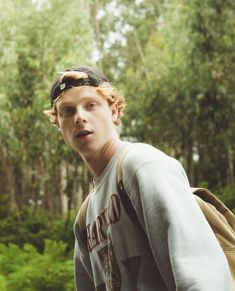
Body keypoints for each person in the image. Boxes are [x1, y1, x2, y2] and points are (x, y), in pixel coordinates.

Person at [45, 66, 233, 291]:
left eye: (91, 105)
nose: (80, 118)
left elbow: (200, 270)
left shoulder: (142, 165)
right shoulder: (84, 217)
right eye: (67, 111)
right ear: (58, 123)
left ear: (114, 111)